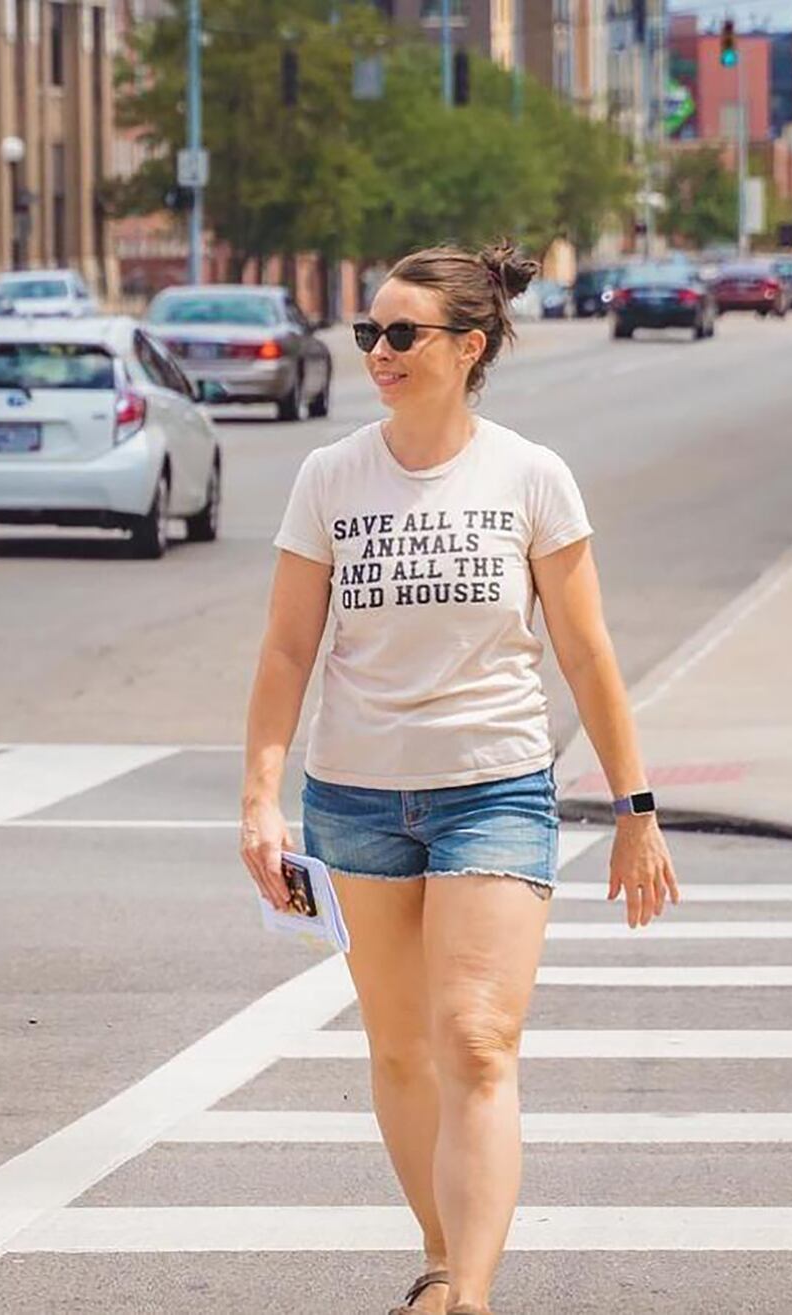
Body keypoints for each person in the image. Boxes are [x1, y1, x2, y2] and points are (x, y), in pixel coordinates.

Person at [240, 240, 680, 1315]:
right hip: (352, 798)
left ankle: (467, 1295)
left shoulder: (528, 475)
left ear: (467, 346)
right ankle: (443, 1258)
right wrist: (261, 798)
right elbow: (288, 649)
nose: (378, 353)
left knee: (476, 1038)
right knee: (399, 1049)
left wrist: (635, 807)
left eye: (402, 334)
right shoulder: (329, 477)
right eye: (369, 334)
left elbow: (586, 652)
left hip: (494, 788)